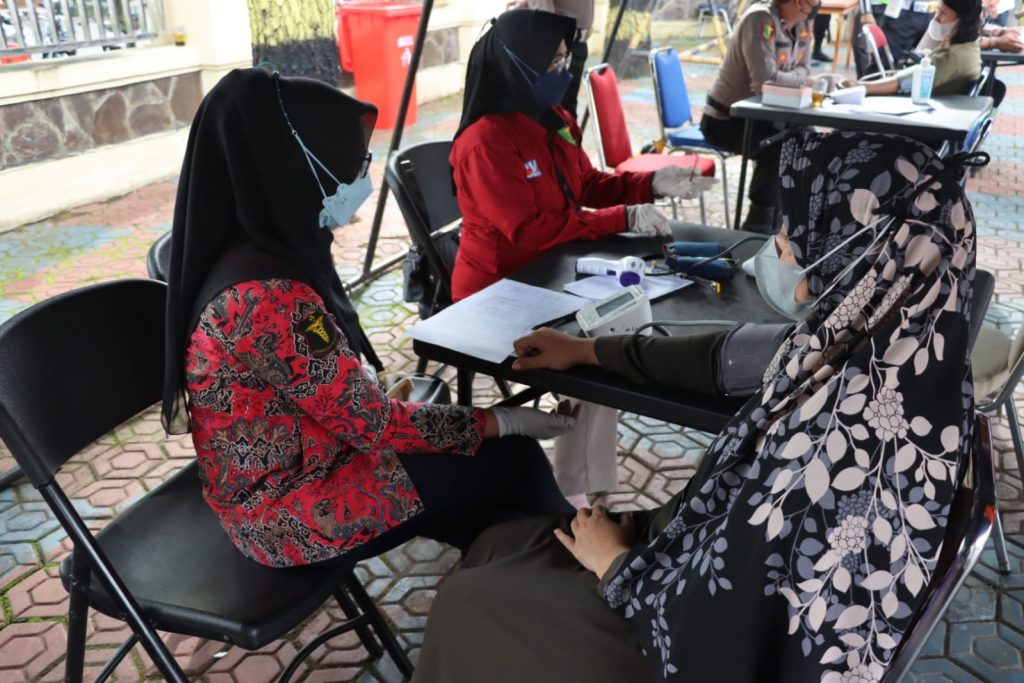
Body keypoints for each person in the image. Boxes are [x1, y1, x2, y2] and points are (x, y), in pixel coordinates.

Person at [413, 130, 981, 682]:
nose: (779, 247)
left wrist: (615, 564)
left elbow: (719, 628)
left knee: (470, 598)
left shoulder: (837, 447)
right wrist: (585, 350)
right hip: (696, 565)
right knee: (498, 543)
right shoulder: (890, 349)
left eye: (791, 231)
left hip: (676, 635)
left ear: (856, 249)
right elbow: (724, 358)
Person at [160, 68, 579, 569]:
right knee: (513, 457)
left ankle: (537, 586)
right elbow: (371, 424)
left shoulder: (260, 245)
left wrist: (369, 392)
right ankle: (602, 578)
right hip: (283, 516)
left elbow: (324, 387)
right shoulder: (267, 297)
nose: (360, 178)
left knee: (492, 500)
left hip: (311, 462)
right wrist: (502, 419)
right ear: (295, 166)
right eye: (352, 164)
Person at [450, 9, 713, 301]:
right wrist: (621, 218)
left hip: (555, 264)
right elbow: (528, 231)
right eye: (553, 62)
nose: (564, 69)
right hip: (497, 287)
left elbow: (584, 184)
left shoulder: (554, 118)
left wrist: (650, 184)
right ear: (519, 67)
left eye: (564, 58)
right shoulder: (485, 144)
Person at [701, 0, 824, 233]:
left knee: (810, 141)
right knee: (779, 145)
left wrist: (794, 78)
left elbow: (804, 70)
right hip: (727, 121)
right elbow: (765, 81)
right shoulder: (760, 19)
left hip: (770, 117)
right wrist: (800, 79)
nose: (819, 4)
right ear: (799, 2)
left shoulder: (804, 25)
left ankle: (789, 222)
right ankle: (757, 224)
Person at [861, 0, 981, 95]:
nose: (936, 18)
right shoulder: (970, 48)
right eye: (938, 12)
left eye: (942, 13)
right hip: (900, 10)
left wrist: (857, 87)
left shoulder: (951, 56)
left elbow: (902, 83)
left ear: (960, 21)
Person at [507, 0, 595, 115]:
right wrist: (552, 40)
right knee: (557, 112)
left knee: (566, 109)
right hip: (559, 44)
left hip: (575, 43)